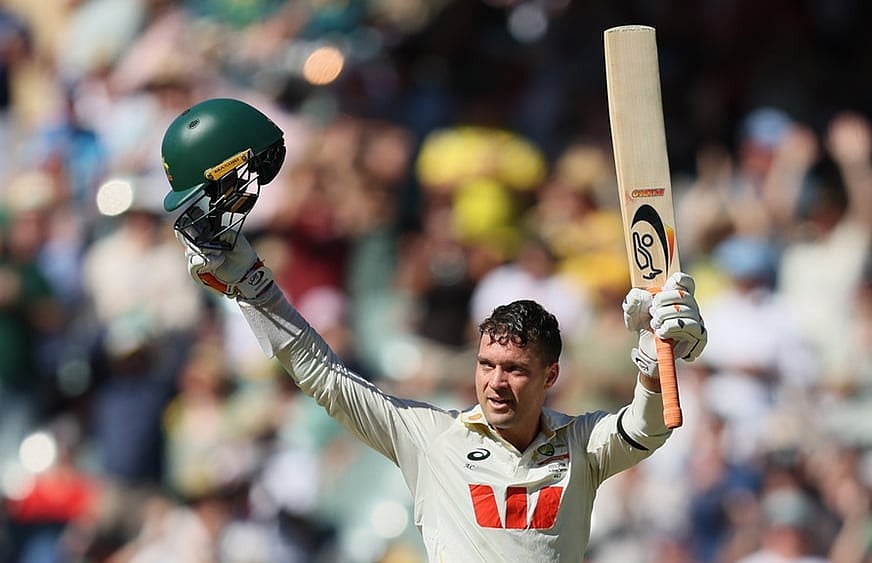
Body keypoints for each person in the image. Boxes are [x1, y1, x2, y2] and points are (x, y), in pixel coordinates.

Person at [158, 97, 708, 561]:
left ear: (551, 376)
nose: (495, 383)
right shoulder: (430, 438)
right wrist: (254, 289)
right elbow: (321, 375)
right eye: (487, 365)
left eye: (516, 370)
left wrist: (658, 349)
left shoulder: (582, 445)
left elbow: (649, 423)